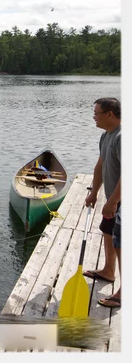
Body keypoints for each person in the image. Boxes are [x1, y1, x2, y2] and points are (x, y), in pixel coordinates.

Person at [82, 97, 121, 308]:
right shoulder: (106, 136)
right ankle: (108, 270)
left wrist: (114, 201)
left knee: (121, 241)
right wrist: (94, 193)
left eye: (97, 113)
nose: (94, 116)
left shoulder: (122, 137)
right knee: (107, 230)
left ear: (109, 114)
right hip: (113, 197)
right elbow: (100, 166)